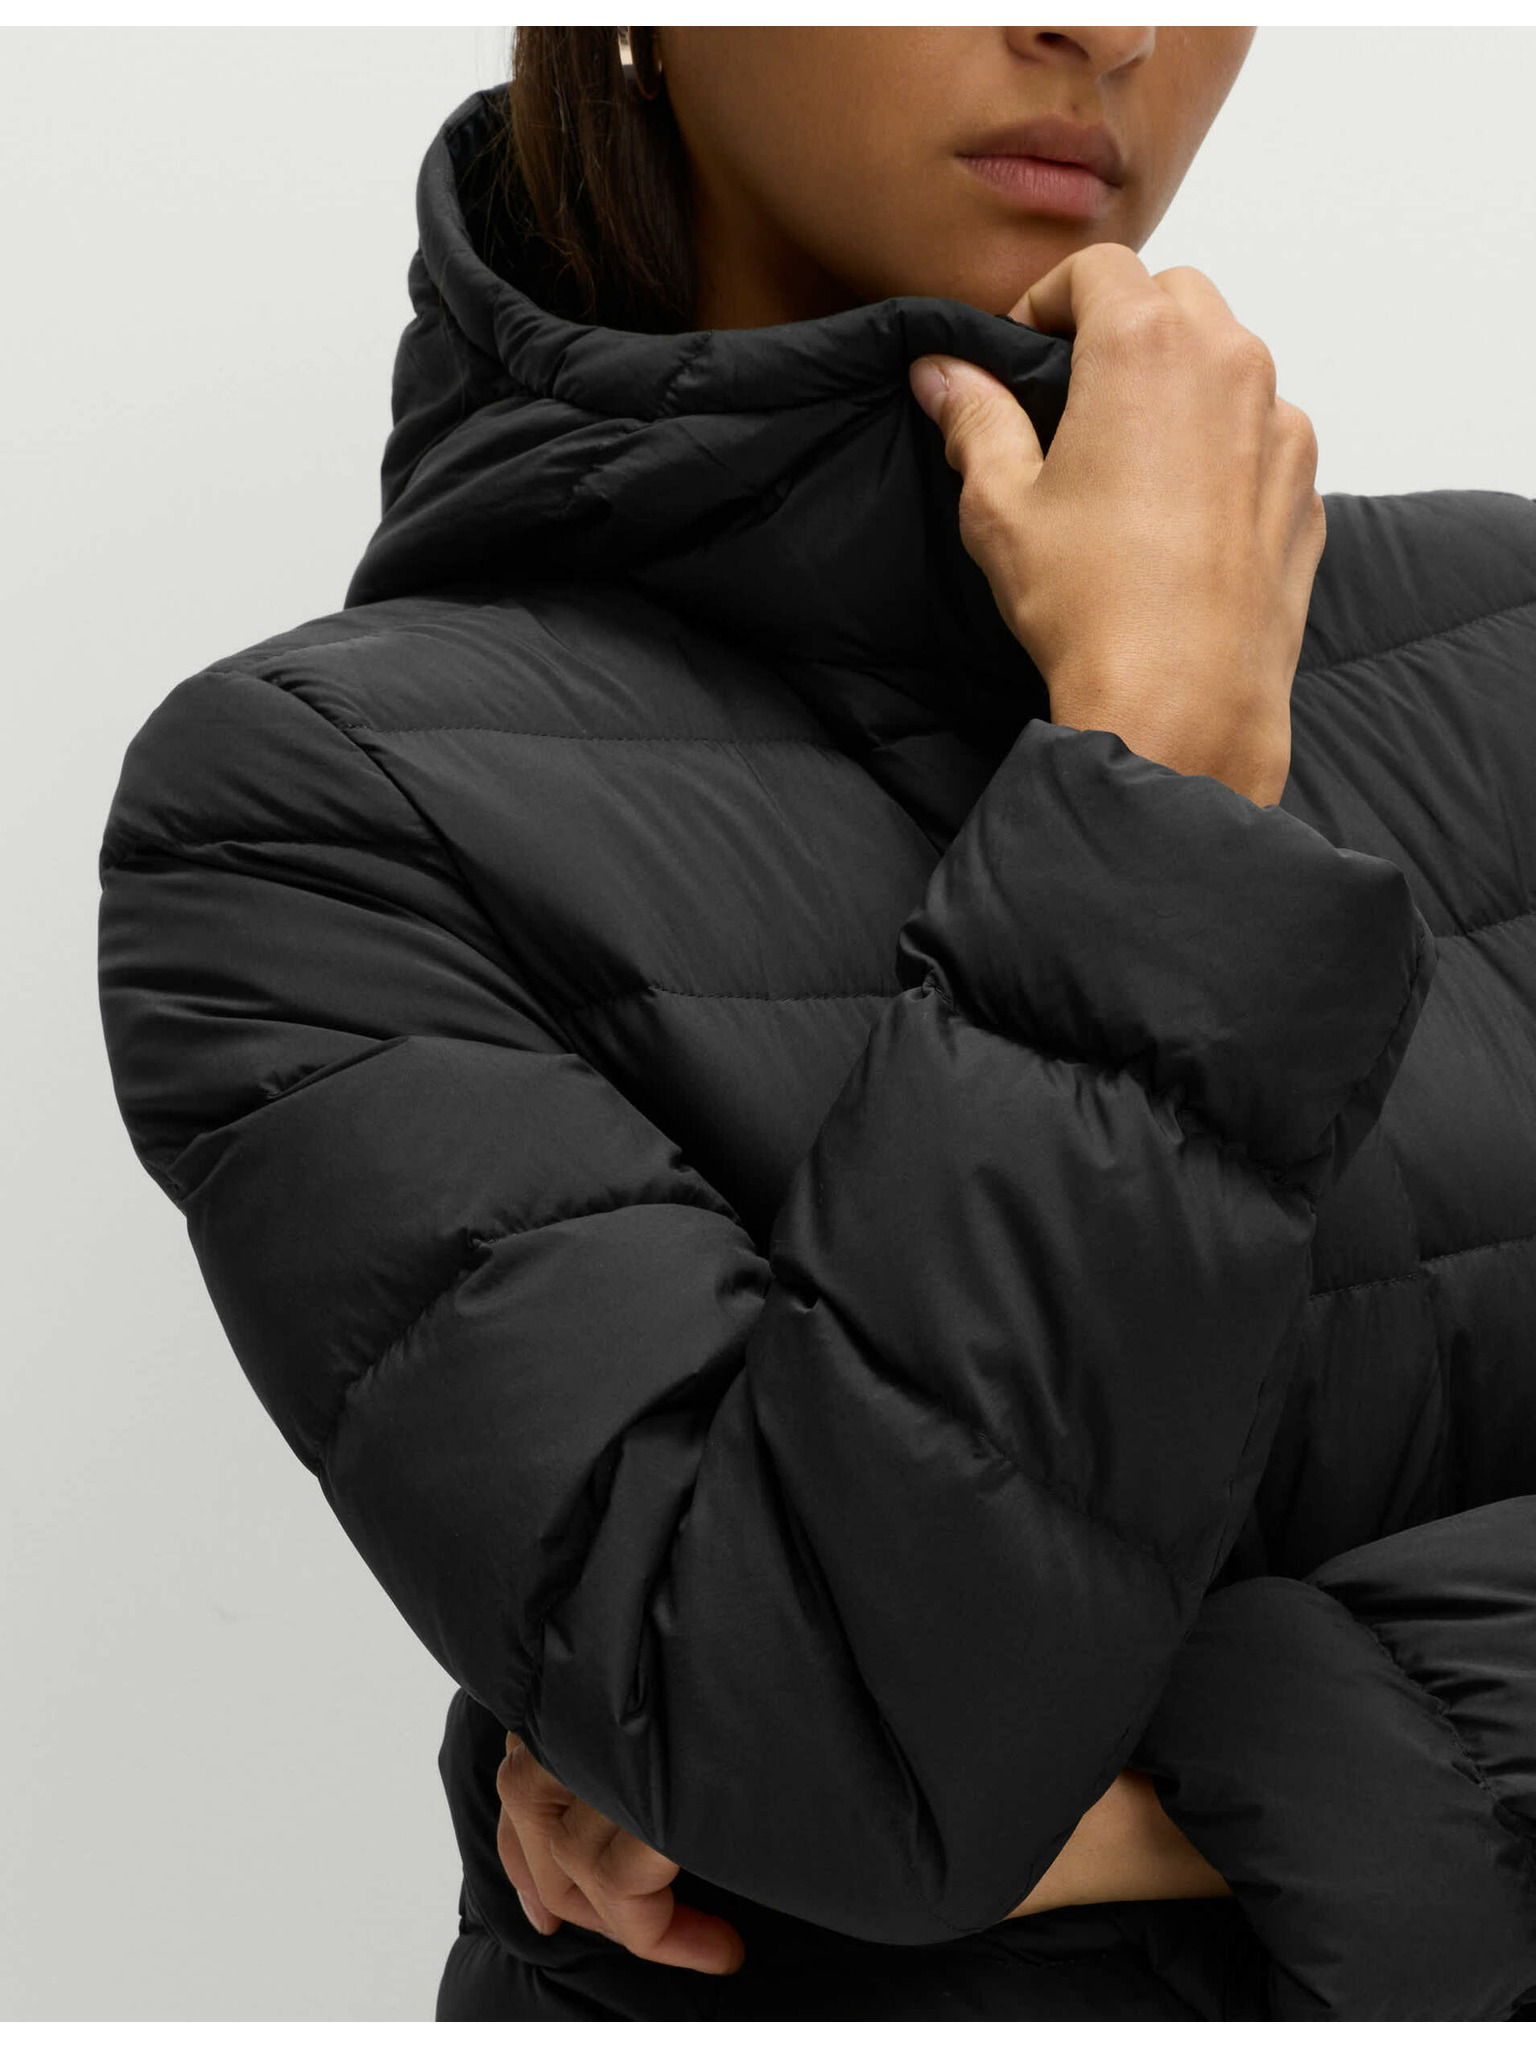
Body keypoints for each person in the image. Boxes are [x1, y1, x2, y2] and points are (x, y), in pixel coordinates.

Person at [95, 24, 1536, 2025]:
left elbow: (780, 1758)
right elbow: (851, 1752)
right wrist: (1158, 778)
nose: (1106, 28)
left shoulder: (1506, 645)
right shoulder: (321, 814)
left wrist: (1188, 1788)